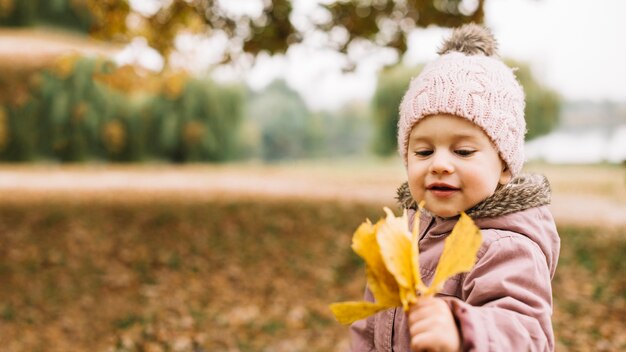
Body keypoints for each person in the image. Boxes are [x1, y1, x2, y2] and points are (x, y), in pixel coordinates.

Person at [350, 24, 560, 351]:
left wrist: (464, 330)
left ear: (504, 165)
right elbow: (369, 329)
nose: (440, 164)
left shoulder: (504, 246)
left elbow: (528, 334)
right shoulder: (400, 238)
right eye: (423, 151)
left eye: (462, 151)